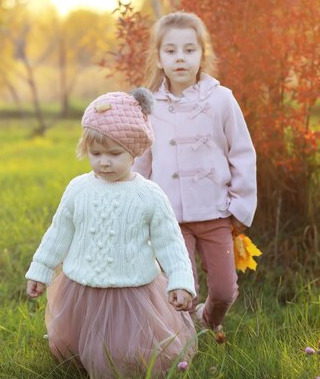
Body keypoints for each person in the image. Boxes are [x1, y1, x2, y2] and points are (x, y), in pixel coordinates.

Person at [25, 88, 197, 379]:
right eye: (96, 153)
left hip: (131, 291)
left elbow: (170, 242)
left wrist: (180, 281)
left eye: (114, 154)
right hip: (82, 286)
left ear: (134, 150)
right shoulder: (78, 188)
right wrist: (40, 270)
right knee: (80, 338)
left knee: (124, 350)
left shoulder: (149, 194)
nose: (104, 162)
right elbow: (59, 232)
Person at [133, 11, 258, 334]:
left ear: (203, 54)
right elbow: (141, 160)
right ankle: (185, 340)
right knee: (180, 290)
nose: (180, 58)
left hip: (216, 212)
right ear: (159, 58)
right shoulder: (150, 106)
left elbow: (242, 153)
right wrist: (138, 206)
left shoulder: (221, 100)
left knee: (224, 290)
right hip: (169, 217)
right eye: (171, 50)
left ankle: (207, 323)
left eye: (189, 50)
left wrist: (241, 206)